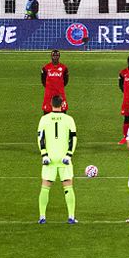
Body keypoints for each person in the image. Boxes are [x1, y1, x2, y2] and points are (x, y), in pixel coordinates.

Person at [37, 96, 78, 224]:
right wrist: (69, 155)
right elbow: (73, 138)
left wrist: (44, 155)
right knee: (68, 186)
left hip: (49, 159)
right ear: (63, 104)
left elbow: (40, 138)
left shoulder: (44, 119)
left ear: (51, 104)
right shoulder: (69, 119)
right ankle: (71, 216)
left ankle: (42, 216)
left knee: (45, 187)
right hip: (64, 158)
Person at [41, 49, 68, 114]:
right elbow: (43, 80)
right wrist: (49, 87)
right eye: (54, 55)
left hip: (60, 93)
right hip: (49, 94)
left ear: (59, 56)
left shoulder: (64, 68)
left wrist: (59, 86)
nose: (55, 57)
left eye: (57, 55)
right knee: (47, 113)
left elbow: (66, 80)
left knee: (62, 113)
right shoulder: (45, 67)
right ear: (51, 56)